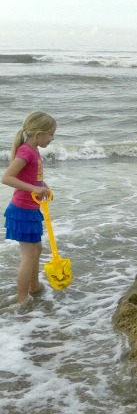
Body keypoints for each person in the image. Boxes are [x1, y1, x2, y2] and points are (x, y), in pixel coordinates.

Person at [2, 111, 55, 305]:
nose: (52, 138)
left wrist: (43, 186)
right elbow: (7, 178)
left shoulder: (34, 150)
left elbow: (33, 175)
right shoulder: (25, 151)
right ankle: (22, 298)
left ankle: (34, 286)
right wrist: (34, 188)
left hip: (31, 209)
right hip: (22, 210)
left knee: (37, 249)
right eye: (50, 134)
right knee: (29, 255)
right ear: (38, 134)